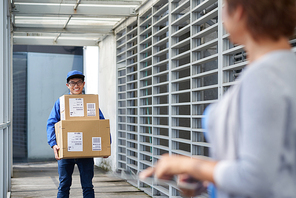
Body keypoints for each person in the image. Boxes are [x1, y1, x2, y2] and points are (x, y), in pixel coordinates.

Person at [139, 0, 296, 198]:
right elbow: (280, 170)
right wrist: (209, 179)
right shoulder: (284, 70)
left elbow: (255, 179)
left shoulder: (264, 77)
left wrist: (188, 165)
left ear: (238, 11)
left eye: (224, 8)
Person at [47, 70, 106, 198]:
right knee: (64, 185)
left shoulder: (90, 102)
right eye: (72, 83)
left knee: (88, 186)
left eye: (79, 82)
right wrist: (53, 144)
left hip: (86, 152)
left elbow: (101, 124)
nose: (76, 85)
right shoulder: (61, 103)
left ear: (83, 84)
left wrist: (106, 146)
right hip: (66, 150)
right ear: (67, 85)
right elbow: (51, 123)